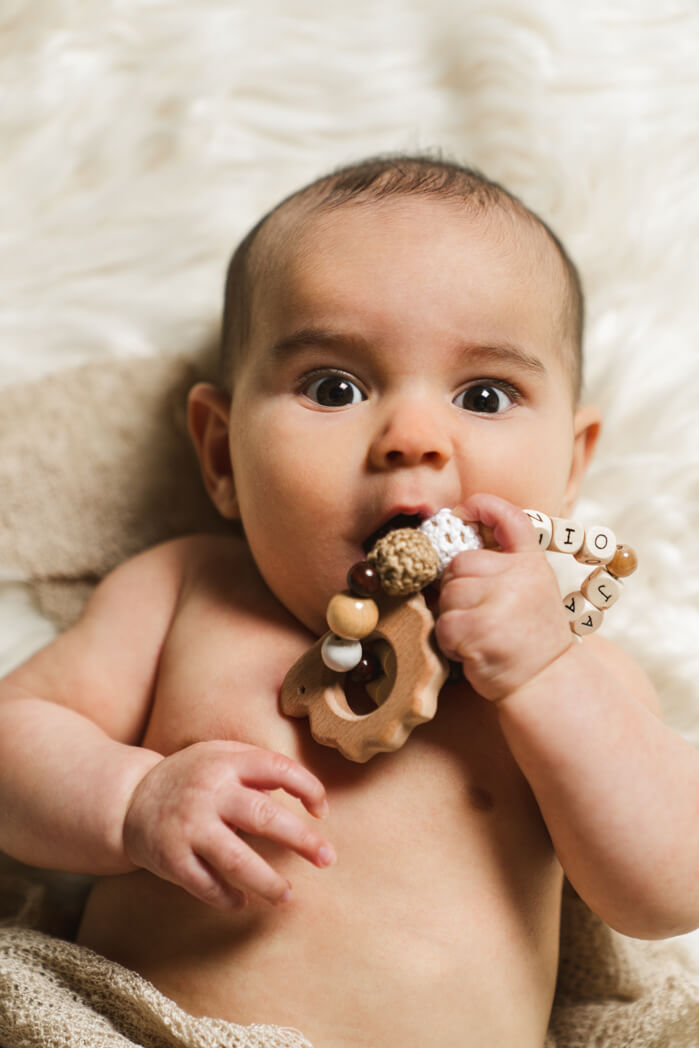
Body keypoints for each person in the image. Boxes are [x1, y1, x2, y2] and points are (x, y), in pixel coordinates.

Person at [0, 154, 697, 1048]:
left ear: (568, 467)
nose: (412, 439)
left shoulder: (574, 672)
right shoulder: (186, 592)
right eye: (334, 387)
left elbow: (667, 892)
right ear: (220, 455)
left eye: (484, 395)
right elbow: (15, 740)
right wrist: (129, 799)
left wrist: (543, 676)